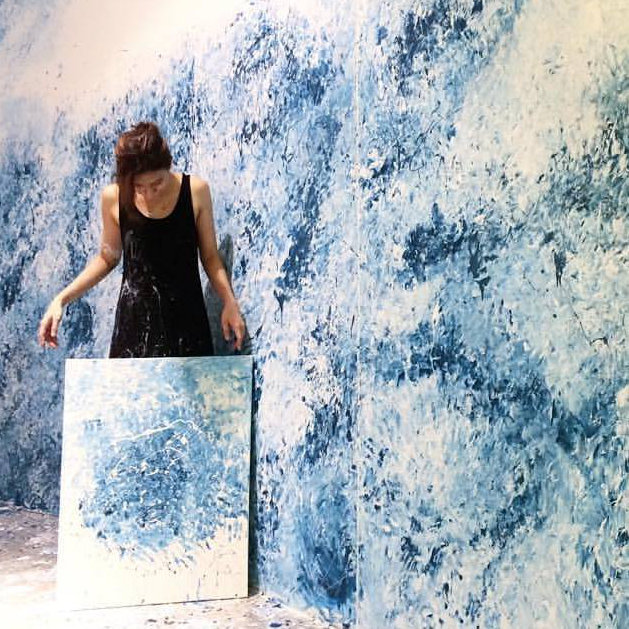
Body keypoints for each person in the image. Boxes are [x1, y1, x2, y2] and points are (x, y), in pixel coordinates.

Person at [37, 121, 245, 357]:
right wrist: (61, 299)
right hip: (133, 329)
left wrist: (229, 301)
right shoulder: (113, 197)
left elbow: (210, 257)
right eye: (139, 187)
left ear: (168, 166)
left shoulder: (195, 191)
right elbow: (107, 258)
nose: (149, 193)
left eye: (157, 184)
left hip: (186, 324)